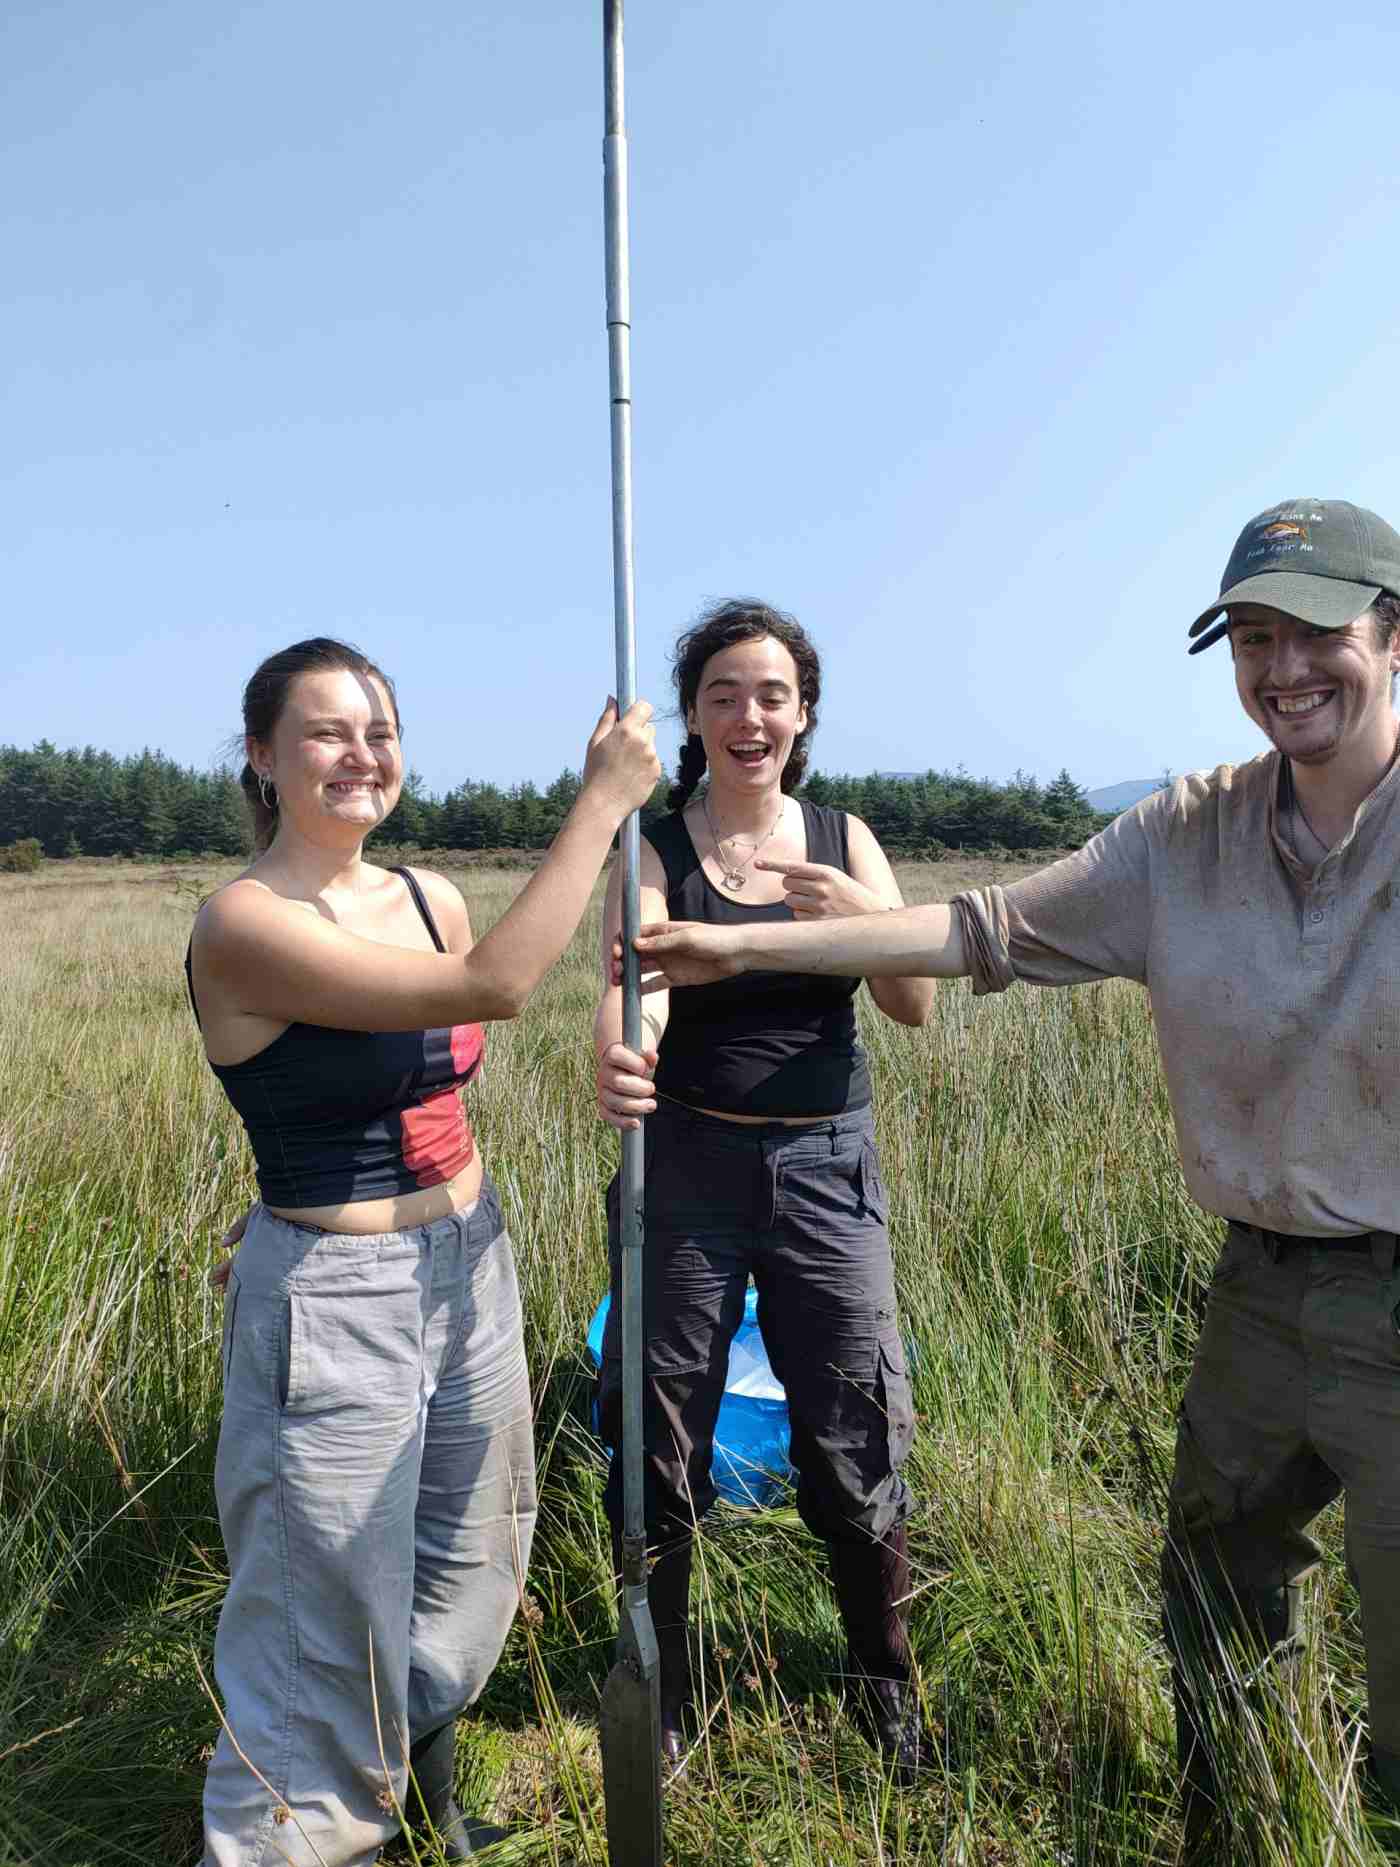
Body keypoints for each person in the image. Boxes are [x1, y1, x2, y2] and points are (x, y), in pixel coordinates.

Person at [627, 502, 1400, 1852]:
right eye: (1255, 638)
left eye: (1318, 633)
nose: (1284, 669)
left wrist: (789, 932)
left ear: (1394, 633)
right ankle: (1237, 1826)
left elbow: (917, 974)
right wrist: (747, 949)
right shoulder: (1188, 834)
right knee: (1215, 1593)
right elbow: (984, 930)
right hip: (1260, 1280)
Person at [187, 637, 658, 1867]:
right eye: (327, 732)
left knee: (468, 1561)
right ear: (261, 755)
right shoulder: (241, 921)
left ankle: (419, 1810)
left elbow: (423, 1077)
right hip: (335, 1302)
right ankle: (290, 1838)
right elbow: (495, 986)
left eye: (380, 730)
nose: (361, 753)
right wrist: (601, 801)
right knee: (316, 1616)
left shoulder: (425, 893)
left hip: (468, 1264)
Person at [593, 598, 935, 1777]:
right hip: (683, 1161)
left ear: (803, 714)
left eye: (772, 694)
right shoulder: (657, 846)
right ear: (691, 714)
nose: (750, 715)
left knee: (853, 1419)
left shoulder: (843, 838)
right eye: (724, 692)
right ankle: (663, 1686)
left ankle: (881, 1680)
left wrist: (866, 923)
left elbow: (914, 1001)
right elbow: (635, 978)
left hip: (826, 1169)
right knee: (659, 1430)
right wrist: (623, 1044)